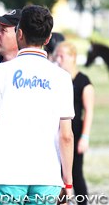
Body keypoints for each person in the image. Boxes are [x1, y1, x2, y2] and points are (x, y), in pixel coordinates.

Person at [0, 5, 75, 205]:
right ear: (47, 38)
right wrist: (67, 183)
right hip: (47, 177)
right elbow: (66, 136)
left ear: (19, 34)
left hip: (7, 176)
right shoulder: (62, 78)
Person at [54, 41, 94, 205]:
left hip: (75, 134)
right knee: (57, 174)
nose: (59, 59)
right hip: (57, 133)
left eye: (62, 56)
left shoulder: (83, 81)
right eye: (57, 55)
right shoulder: (56, 79)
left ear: (73, 57)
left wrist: (85, 137)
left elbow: (89, 111)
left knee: (75, 174)